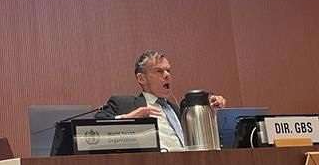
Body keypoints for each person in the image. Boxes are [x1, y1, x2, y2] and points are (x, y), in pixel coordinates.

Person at [95, 50, 226, 151]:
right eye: (159, 71)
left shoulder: (178, 109)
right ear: (141, 78)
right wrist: (129, 119)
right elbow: (96, 128)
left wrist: (210, 112)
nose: (167, 75)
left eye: (168, 70)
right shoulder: (123, 103)